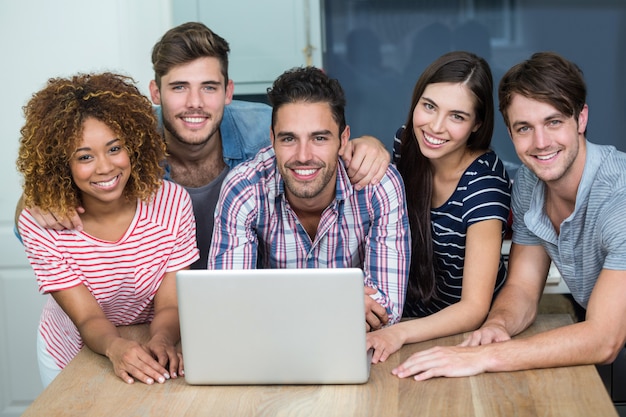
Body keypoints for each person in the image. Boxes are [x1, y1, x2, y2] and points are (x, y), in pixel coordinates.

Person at [17, 22, 391, 269]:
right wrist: (36, 200)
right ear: (155, 93)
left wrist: (368, 144)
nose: (195, 103)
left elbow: (324, 142)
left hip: (239, 302)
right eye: (179, 87)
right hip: (148, 312)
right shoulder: (123, 140)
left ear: (228, 92)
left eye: (209, 87)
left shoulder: (265, 128)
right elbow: (42, 206)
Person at [390, 51, 626, 381]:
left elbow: (604, 340)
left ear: (581, 119)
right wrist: (497, 325)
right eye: (524, 127)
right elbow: (523, 290)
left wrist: (487, 356)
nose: (541, 143)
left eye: (553, 122)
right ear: (510, 132)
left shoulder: (619, 197)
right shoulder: (532, 182)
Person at [16, 72, 200, 387]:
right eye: (85, 157)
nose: (104, 167)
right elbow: (88, 318)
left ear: (134, 145)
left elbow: (170, 303)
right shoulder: (42, 224)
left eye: (115, 149)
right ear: (62, 164)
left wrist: (163, 340)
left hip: (150, 338)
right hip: (71, 350)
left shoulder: (173, 203)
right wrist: (115, 347)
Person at [208, 66, 411, 330]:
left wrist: (270, 305)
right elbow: (228, 303)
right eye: (289, 138)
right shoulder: (245, 188)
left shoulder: (378, 185)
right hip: (272, 348)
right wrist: (339, 302)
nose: (303, 155)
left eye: (319, 138)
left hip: (350, 348)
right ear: (272, 140)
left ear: (343, 138)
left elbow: (385, 310)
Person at [366, 51, 511, 363]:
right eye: (429, 106)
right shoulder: (406, 144)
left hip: (463, 335)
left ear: (477, 124)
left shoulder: (483, 184)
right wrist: (368, 143)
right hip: (405, 321)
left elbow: (474, 308)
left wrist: (400, 333)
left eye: (457, 116)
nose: (435, 126)